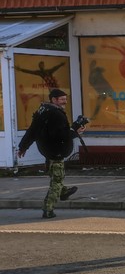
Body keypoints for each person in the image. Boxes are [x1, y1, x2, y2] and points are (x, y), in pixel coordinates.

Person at [17, 88, 88, 218]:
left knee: (56, 177)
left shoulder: (42, 111)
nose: (64, 102)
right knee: (56, 181)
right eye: (62, 100)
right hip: (57, 152)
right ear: (53, 100)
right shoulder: (57, 114)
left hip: (47, 151)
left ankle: (64, 192)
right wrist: (75, 131)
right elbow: (61, 135)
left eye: (65, 100)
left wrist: (23, 147)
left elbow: (32, 131)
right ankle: (48, 209)